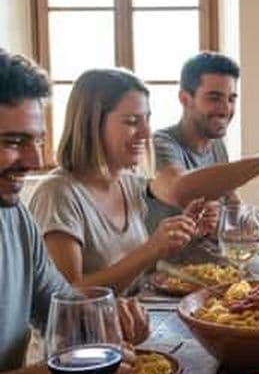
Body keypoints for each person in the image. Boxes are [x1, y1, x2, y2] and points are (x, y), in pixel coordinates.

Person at [0, 51, 146, 374]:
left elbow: (62, 308)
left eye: (37, 140)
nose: (34, 161)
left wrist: (109, 317)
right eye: (13, 142)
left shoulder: (15, 216)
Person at [29, 69, 219, 295]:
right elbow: (67, 294)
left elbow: (135, 271)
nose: (146, 132)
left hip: (133, 320)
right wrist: (150, 249)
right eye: (132, 121)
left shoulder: (128, 183)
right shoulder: (57, 194)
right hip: (89, 330)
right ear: (92, 124)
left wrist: (183, 236)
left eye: (147, 119)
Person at [146, 52, 259, 231]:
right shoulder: (160, 143)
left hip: (222, 257)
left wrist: (258, 218)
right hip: (175, 260)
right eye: (214, 98)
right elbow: (178, 191)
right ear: (185, 99)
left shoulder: (216, 145)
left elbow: (233, 205)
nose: (226, 109)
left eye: (231, 99)